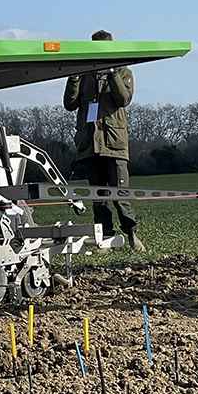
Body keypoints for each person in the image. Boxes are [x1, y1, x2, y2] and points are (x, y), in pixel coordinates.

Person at [63, 30, 144, 251]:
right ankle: (105, 237)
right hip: (90, 143)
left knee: (121, 193)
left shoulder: (124, 71)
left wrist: (112, 74)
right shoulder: (83, 73)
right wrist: (74, 76)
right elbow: (69, 104)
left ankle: (132, 234)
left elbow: (123, 99)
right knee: (98, 197)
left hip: (114, 143)